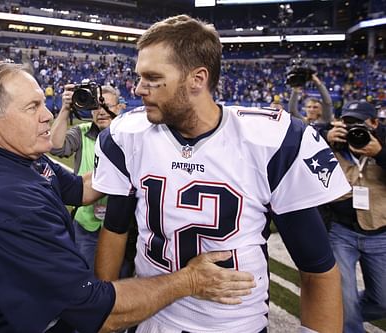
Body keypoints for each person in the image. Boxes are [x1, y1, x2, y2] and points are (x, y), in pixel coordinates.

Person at [0, 61, 257, 333]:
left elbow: (81, 189)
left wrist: (140, 158)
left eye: (44, 102)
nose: (47, 115)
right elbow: (97, 311)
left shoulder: (13, 157)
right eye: (32, 107)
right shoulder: (9, 202)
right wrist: (189, 279)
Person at [92, 15, 351, 333]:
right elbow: (115, 229)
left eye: (152, 78)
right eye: (139, 76)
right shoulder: (126, 135)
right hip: (151, 316)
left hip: (235, 324)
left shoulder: (270, 141)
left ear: (197, 79)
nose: (138, 88)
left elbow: (317, 269)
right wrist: (105, 311)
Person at [322, 100, 386, 333]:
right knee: (345, 299)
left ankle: (337, 312)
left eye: (360, 124)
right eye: (348, 123)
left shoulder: (383, 142)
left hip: (380, 232)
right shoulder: (333, 143)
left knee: (382, 302)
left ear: (375, 123)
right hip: (341, 232)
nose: (354, 129)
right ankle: (345, 315)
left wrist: (380, 153)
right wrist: (324, 137)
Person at [50, 84, 121, 270]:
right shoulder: (81, 132)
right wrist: (66, 109)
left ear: (120, 108)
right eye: (97, 106)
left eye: (108, 106)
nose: (102, 112)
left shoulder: (129, 137)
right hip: (85, 223)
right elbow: (56, 146)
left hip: (119, 223)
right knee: (83, 277)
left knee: (118, 281)